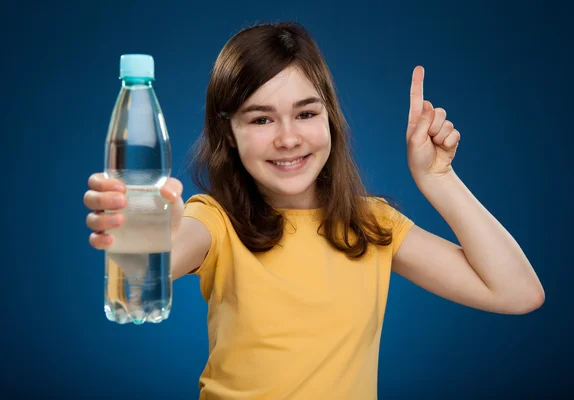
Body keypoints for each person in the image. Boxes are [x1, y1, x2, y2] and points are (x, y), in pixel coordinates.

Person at [83, 22, 545, 400]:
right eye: (261, 118)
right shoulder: (216, 221)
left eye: (306, 113)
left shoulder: (372, 224)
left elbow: (517, 292)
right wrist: (142, 232)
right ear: (228, 133)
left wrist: (438, 180)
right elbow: (161, 254)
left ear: (330, 120)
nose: (288, 137)